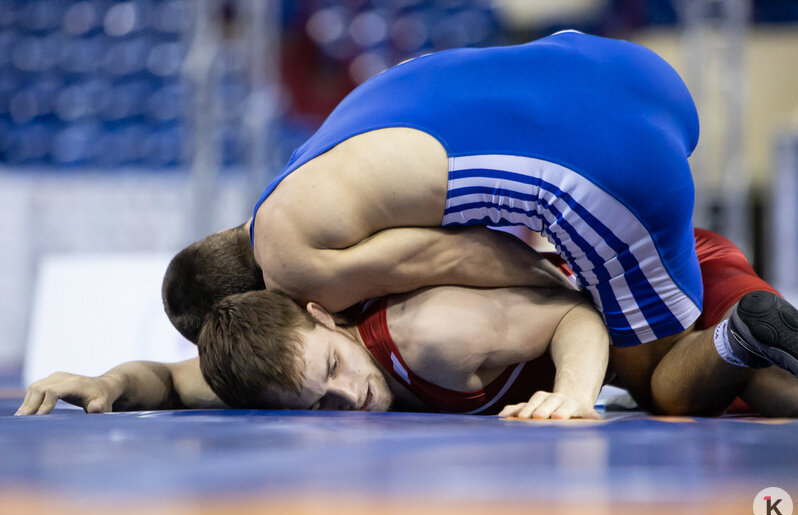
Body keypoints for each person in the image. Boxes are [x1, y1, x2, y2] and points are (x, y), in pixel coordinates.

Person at [164, 30, 713, 413]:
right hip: (619, 65)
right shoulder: (294, 177)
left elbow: (458, 254)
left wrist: (561, 293)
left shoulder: (290, 267)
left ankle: (746, 342)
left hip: (610, 170)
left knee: (660, 382)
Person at [18, 229, 798, 418]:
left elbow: (573, 315)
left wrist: (571, 395)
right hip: (602, 273)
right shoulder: (297, 354)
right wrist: (107, 382)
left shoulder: (412, 320)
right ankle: (742, 342)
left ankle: (736, 339)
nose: (344, 400)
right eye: (318, 400)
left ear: (313, 307)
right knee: (766, 397)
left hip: (624, 279)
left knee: (670, 389)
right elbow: (175, 382)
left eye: (331, 373)